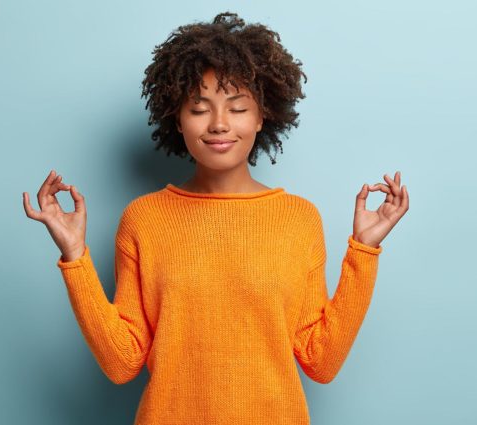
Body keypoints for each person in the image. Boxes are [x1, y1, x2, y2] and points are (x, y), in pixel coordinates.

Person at [23, 11, 408, 425]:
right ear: (178, 118)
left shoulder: (298, 220)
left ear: (262, 116)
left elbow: (321, 360)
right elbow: (122, 362)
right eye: (199, 108)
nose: (220, 124)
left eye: (238, 107)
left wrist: (364, 251)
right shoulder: (144, 219)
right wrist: (75, 256)